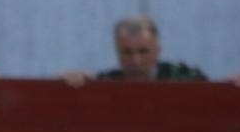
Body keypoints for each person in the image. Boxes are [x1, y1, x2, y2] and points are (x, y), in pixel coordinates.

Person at [64, 16, 206, 85]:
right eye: (127, 52)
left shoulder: (184, 76)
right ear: (117, 52)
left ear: (158, 51)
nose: (135, 61)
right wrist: (68, 84)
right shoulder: (105, 82)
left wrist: (229, 86)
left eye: (143, 51)